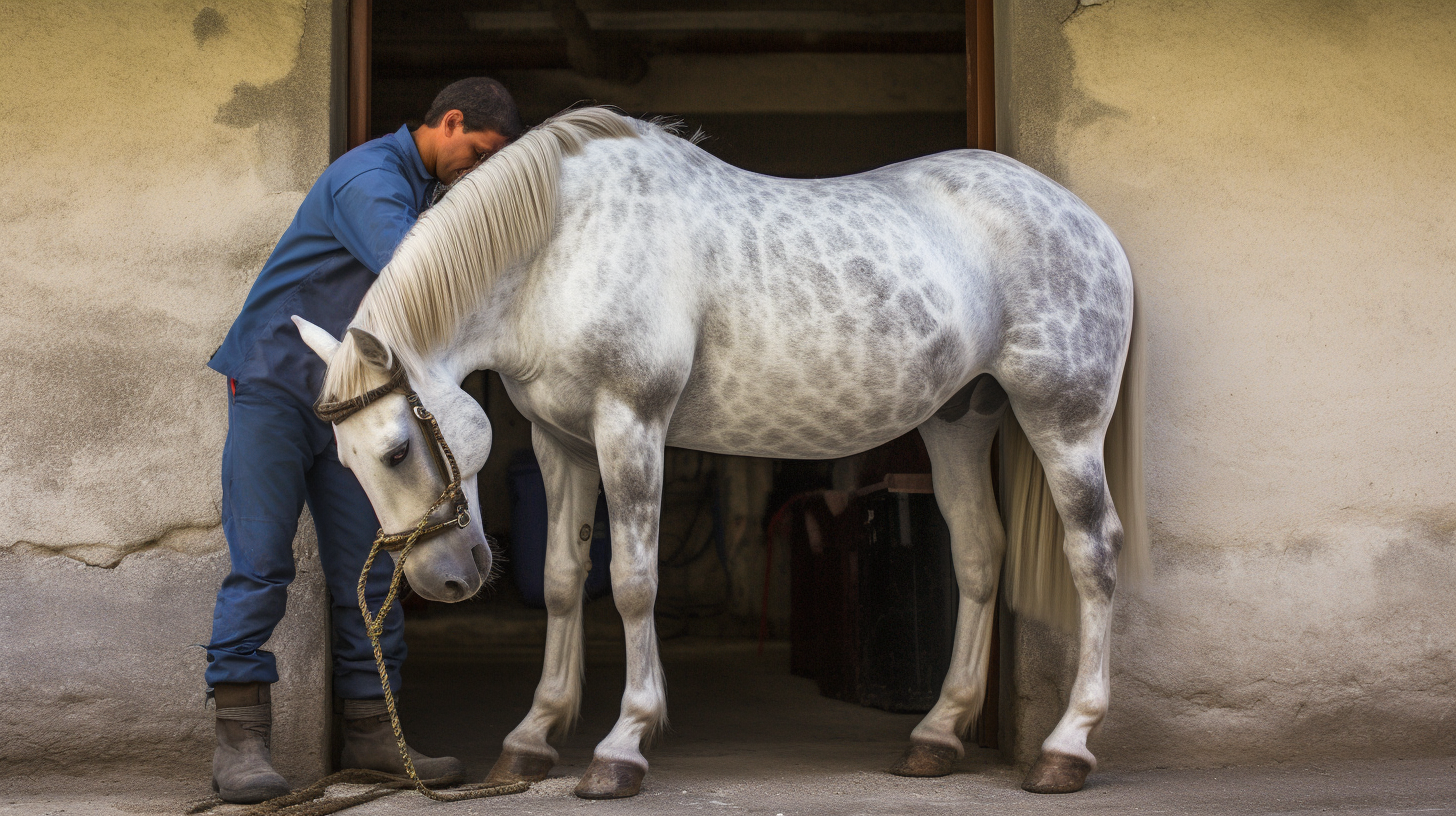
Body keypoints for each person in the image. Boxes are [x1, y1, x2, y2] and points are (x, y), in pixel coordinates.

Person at [203, 78, 522, 804]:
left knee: (371, 569)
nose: (478, 169)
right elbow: (413, 273)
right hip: (276, 386)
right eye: (478, 152)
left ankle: (375, 733)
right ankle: (239, 742)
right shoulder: (370, 178)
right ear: (448, 123)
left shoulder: (430, 194)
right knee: (260, 565)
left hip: (356, 405)